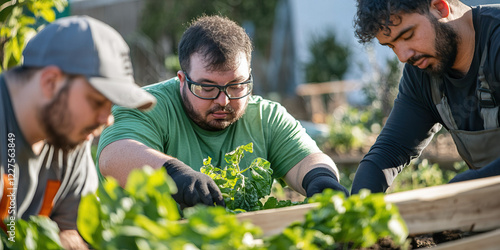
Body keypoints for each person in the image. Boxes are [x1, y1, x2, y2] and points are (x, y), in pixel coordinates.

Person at [97, 15, 349, 209]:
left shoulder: (265, 117)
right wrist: (174, 173)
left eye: (237, 86)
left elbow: (307, 159)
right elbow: (114, 155)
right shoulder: (146, 104)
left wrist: (322, 180)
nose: (224, 100)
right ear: (182, 79)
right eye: (207, 88)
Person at [0, 16, 156, 248]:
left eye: (111, 105)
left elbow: (72, 230)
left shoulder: (67, 133)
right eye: (96, 102)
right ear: (50, 82)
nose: (107, 120)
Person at [351, 0, 500, 194]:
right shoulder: (422, 72)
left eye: (408, 35)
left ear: (440, 7)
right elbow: (390, 150)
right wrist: (356, 208)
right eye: (391, 46)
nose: (403, 56)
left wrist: (460, 190)